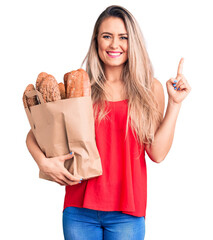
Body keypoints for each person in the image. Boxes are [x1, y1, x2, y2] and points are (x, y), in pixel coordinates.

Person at [26, 5, 191, 240]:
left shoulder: (149, 89)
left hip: (127, 213)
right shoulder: (80, 87)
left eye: (123, 37)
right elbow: (35, 132)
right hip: (79, 209)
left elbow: (157, 153)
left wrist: (175, 104)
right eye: (107, 36)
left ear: (132, 42)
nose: (115, 45)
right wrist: (43, 162)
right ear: (96, 41)